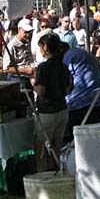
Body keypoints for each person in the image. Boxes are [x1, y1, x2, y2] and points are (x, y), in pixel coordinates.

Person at [32, 34, 72, 172]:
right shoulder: (63, 66)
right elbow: (67, 90)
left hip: (47, 112)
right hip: (62, 110)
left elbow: (41, 91)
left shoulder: (44, 67)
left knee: (42, 149)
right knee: (57, 148)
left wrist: (33, 84)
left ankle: (42, 177)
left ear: (46, 48)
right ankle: (56, 173)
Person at [63, 46, 100, 143]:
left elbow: (66, 84)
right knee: (97, 142)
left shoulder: (67, 59)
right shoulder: (79, 53)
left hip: (84, 105)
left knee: (81, 143)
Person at [3, 18, 36, 86]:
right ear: (19, 30)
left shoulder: (28, 42)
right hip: (16, 80)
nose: (28, 35)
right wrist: (25, 70)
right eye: (25, 32)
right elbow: (6, 68)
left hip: (29, 79)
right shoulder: (12, 46)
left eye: (29, 32)